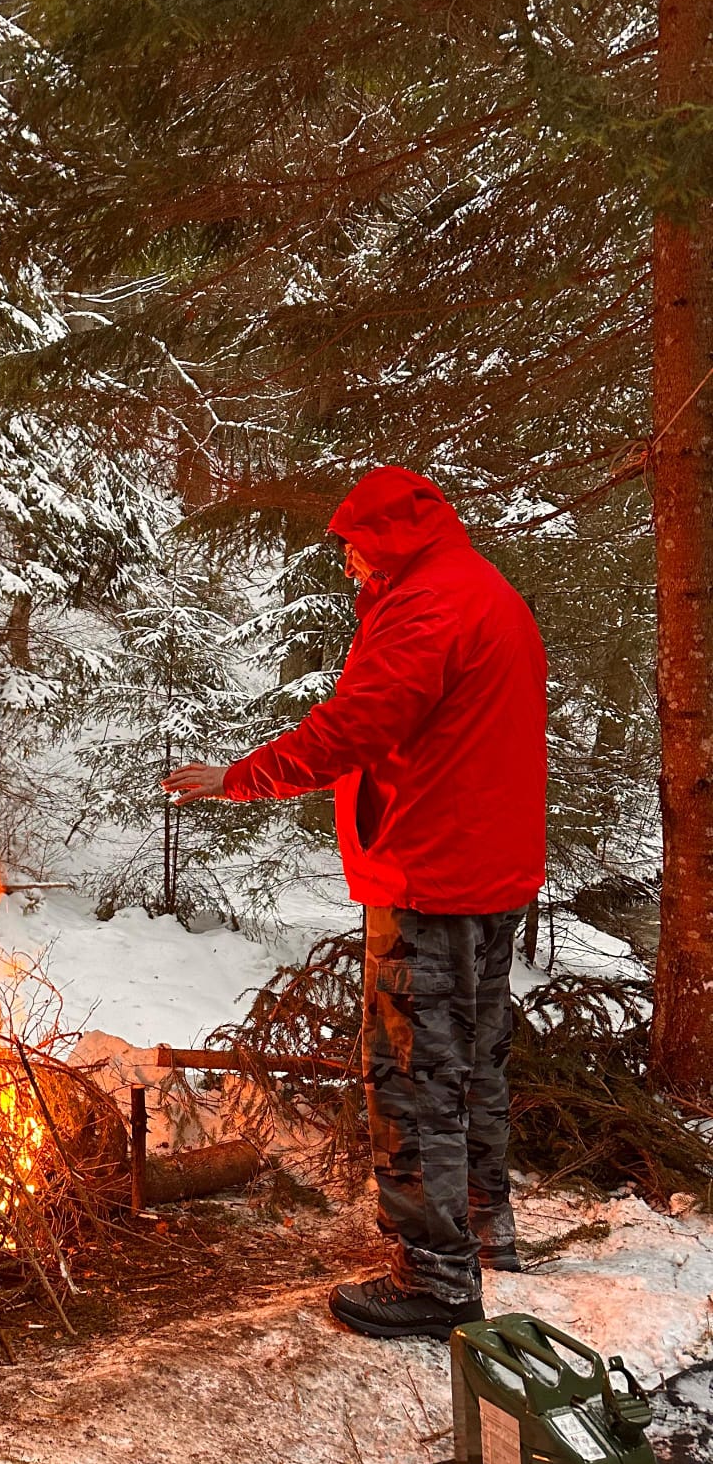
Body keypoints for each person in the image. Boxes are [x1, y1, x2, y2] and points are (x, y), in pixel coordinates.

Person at [164, 466, 547, 1340]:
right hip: (488, 870)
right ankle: (488, 1232)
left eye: (349, 546)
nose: (344, 563)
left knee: (413, 1076)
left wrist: (238, 779)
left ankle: (436, 1279)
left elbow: (354, 726)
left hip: (432, 872)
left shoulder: (426, 607)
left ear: (383, 540)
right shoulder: (482, 589)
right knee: (474, 1063)